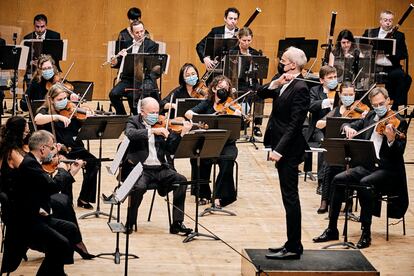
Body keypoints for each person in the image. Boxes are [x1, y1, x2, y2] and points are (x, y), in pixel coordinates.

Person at [313, 87, 408, 249]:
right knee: (338, 179)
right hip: (368, 165)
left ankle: (366, 233)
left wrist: (391, 139)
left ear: (388, 101)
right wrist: (348, 128)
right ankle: (332, 229)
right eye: (375, 104)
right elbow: (351, 124)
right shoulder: (371, 116)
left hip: (387, 170)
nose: (379, 106)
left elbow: (398, 153)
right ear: (371, 105)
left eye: (381, 103)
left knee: (365, 184)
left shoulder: (399, 120)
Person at [257, 47, 310, 260]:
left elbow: (295, 125)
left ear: (293, 64)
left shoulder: (301, 88)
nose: (281, 61)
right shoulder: (284, 81)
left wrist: (279, 150)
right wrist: (276, 83)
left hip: (289, 149)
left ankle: (294, 246)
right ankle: (291, 242)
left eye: (284, 59)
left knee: (291, 197)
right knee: (287, 196)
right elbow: (260, 93)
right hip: (280, 144)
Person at [12, 130, 82, 275]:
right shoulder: (30, 165)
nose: (53, 151)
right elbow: (52, 187)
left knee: (70, 228)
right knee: (61, 243)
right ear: (42, 148)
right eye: (51, 148)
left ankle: (57, 272)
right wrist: (65, 171)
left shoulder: (32, 161)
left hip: (36, 214)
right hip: (28, 222)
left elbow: (44, 186)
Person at [121, 97, 193, 235]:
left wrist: (182, 134)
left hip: (160, 169)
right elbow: (130, 134)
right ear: (142, 112)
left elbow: (171, 149)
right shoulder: (134, 121)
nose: (156, 115)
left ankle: (177, 223)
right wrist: (151, 131)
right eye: (152, 112)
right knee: (139, 187)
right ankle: (130, 222)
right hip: (141, 169)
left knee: (182, 181)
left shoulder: (163, 124)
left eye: (157, 112)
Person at [34, 84, 99, 209]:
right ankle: (66, 199)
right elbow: (37, 119)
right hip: (59, 149)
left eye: (65, 98)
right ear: (51, 100)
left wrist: (89, 119)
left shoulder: (72, 109)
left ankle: (84, 198)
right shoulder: (45, 111)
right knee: (65, 167)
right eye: (59, 99)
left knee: (94, 162)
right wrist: (57, 117)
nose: (63, 101)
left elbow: (83, 125)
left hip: (75, 147)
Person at [185, 75, 241, 207]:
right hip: (209, 142)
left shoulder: (232, 105)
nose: (224, 90)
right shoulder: (207, 103)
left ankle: (222, 197)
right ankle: (203, 194)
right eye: (221, 87)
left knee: (227, 159)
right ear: (214, 88)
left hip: (227, 144)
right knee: (198, 157)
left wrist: (238, 118)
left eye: (227, 88)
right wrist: (205, 117)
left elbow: (240, 128)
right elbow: (188, 113)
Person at [314, 82, 369, 214]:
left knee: (347, 165)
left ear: (355, 94)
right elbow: (318, 124)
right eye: (345, 94)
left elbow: (367, 127)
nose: (348, 97)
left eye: (351, 94)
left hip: (355, 149)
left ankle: (348, 201)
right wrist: (332, 121)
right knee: (329, 163)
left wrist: (366, 117)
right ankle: (325, 201)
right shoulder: (337, 110)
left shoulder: (361, 110)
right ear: (340, 94)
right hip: (339, 148)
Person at [109, 20, 159, 115]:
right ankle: (122, 116)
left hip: (143, 79)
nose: (140, 34)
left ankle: (137, 120)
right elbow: (119, 63)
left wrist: (130, 57)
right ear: (132, 33)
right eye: (137, 32)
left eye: (142, 31)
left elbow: (151, 65)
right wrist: (116, 61)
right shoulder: (126, 44)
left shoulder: (151, 45)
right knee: (113, 94)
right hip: (128, 79)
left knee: (132, 96)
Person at [363, 10, 410, 110]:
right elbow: (362, 47)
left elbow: (404, 54)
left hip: (391, 67)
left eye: (390, 20)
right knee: (362, 76)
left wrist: (390, 51)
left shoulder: (399, 35)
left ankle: (395, 106)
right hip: (373, 67)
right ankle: (368, 107)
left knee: (405, 77)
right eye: (385, 20)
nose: (388, 23)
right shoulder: (370, 32)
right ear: (380, 21)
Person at [307, 65, 338, 213]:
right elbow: (311, 106)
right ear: (321, 80)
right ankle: (321, 181)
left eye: (335, 77)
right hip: (318, 128)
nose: (333, 80)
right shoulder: (315, 91)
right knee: (323, 143)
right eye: (330, 78)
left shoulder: (341, 91)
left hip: (336, 128)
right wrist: (327, 102)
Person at [229, 26, 264, 137]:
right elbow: (229, 71)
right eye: (244, 40)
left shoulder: (255, 53)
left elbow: (259, 73)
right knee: (244, 93)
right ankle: (243, 119)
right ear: (239, 39)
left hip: (252, 81)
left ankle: (257, 125)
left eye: (249, 40)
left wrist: (253, 62)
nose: (246, 43)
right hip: (238, 82)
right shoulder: (233, 52)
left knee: (261, 93)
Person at [196, 7, 239, 71]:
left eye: (235, 19)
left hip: (232, 70)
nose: (233, 21)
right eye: (230, 18)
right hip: (215, 68)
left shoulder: (240, 33)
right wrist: (204, 58)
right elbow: (200, 46)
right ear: (225, 18)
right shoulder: (216, 31)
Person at [23, 14, 61, 83]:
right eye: (37, 27)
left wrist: (44, 62)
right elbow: (25, 58)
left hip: (50, 69)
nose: (40, 29)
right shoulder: (27, 38)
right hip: (34, 70)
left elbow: (56, 56)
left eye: (42, 26)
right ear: (34, 26)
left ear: (46, 26)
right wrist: (32, 62)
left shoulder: (54, 36)